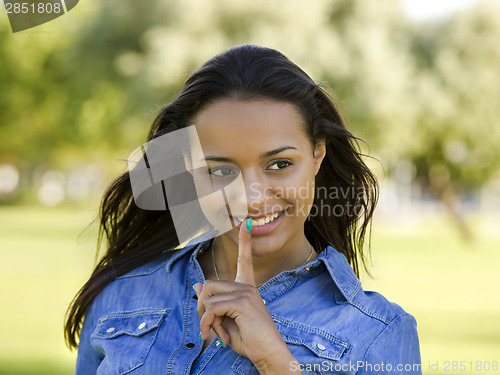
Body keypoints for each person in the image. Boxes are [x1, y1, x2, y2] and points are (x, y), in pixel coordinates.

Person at [65, 44, 422, 374]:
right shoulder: (121, 295)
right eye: (220, 170)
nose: (251, 197)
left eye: (280, 164)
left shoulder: (380, 332)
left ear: (318, 153)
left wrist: (274, 360)